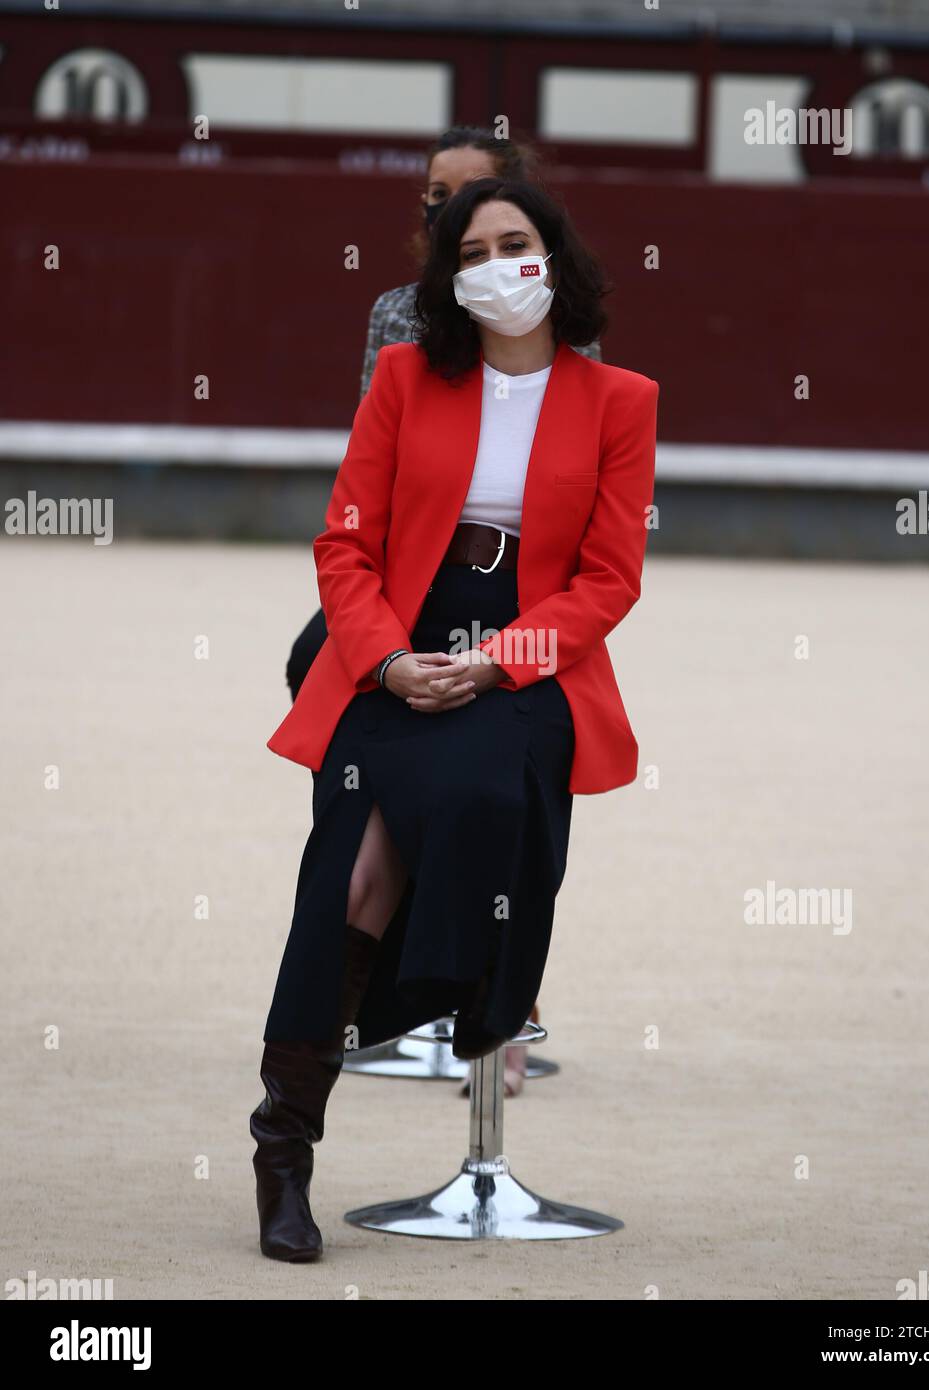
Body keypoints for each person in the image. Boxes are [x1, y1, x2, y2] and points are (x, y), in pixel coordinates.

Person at [250, 175, 659, 1263]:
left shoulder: (620, 399)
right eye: (471, 251)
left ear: (554, 257)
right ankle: (282, 1152)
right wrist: (387, 659)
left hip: (526, 659)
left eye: (514, 242)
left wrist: (491, 662)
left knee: (479, 790)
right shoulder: (402, 377)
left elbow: (609, 581)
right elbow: (343, 541)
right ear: (449, 277)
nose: (496, 265)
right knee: (351, 876)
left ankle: (476, 992)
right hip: (392, 638)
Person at [284, 125, 602, 1096]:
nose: (444, 208)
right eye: (433, 196)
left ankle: (486, 992)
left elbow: (585, 519)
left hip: (516, 595)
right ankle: (388, 964)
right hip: (405, 571)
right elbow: (366, 485)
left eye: (468, 195)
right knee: (317, 671)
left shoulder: (577, 346)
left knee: (495, 780)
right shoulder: (398, 320)